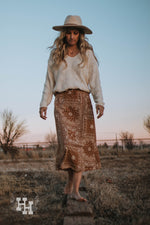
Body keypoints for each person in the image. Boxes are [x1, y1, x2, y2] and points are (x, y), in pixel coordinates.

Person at [39, 15, 105, 202]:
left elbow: (95, 80)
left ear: (80, 34)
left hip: (83, 103)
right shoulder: (55, 55)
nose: (72, 36)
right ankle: (71, 183)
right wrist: (44, 103)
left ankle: (74, 189)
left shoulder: (88, 54)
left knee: (80, 149)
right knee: (68, 146)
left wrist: (100, 101)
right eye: (69, 32)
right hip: (62, 103)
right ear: (64, 34)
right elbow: (49, 81)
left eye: (76, 32)